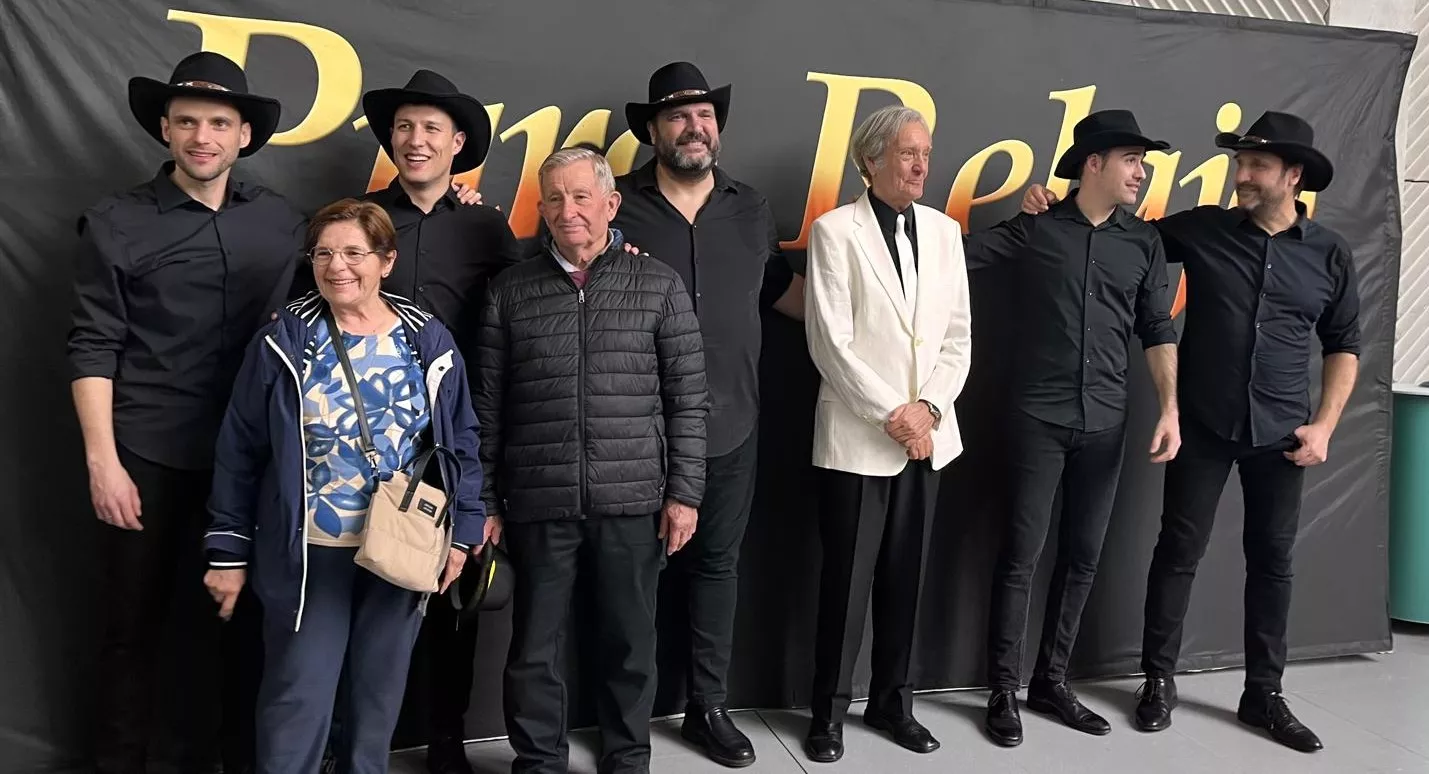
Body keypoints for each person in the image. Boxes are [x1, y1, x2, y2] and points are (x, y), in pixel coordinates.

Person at [1021, 110, 1360, 753]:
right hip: (1202, 423)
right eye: (1240, 163)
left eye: (1256, 165)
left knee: (1273, 562)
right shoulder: (1201, 229)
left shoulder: (1329, 254)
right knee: (1177, 552)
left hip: (1284, 433)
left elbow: (1344, 344)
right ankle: (1158, 681)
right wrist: (1050, 203)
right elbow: (1114, 233)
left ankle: (1264, 694)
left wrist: (1324, 425)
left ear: (1293, 175)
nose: (1242, 175)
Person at [68, 51, 304, 774]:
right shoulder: (116, 222)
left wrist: (464, 201)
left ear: (244, 136)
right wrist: (103, 463)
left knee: (232, 628)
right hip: (145, 452)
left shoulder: (281, 221)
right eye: (189, 121)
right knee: (131, 628)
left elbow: (361, 254)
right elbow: (92, 344)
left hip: (248, 459)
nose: (204, 136)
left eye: (220, 123)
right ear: (166, 130)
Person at [202, 198, 488, 772]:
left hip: (400, 548)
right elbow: (239, 449)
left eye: (354, 252)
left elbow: (461, 438)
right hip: (309, 551)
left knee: (377, 702)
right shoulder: (284, 342)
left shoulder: (426, 340)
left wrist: (464, 530)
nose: (338, 267)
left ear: (386, 260)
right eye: (324, 253)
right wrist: (228, 549)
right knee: (298, 699)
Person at [475, 147, 708, 774]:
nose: (568, 210)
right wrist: (486, 500)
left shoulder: (659, 284)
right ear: (541, 208)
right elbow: (487, 406)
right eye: (554, 198)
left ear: (611, 204)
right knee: (534, 649)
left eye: (581, 196)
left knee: (630, 645)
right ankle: (538, 762)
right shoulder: (510, 290)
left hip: (633, 501)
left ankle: (627, 758)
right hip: (538, 500)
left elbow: (689, 400)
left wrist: (684, 494)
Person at [963, 110, 1181, 747]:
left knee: (1083, 557)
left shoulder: (1144, 243)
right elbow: (956, 259)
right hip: (1037, 417)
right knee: (1020, 555)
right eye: (1132, 161)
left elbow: (1158, 329)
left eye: (1144, 163)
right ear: (1094, 163)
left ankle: (1051, 682)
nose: (1141, 173)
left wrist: (1169, 408)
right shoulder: (1036, 228)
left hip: (1108, 423)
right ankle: (1002, 689)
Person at [614, 61, 803, 768]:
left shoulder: (749, 208)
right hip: (636, 429)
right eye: (677, 117)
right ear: (653, 131)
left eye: (704, 116)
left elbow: (779, 291)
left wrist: (867, 324)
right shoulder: (614, 206)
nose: (694, 128)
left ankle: (707, 707)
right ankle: (626, 720)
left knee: (716, 570)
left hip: (730, 424)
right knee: (634, 578)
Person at [358, 68, 522, 774]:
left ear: (458, 144)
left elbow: (525, 309)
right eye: (404, 127)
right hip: (369, 436)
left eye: (431, 128)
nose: (415, 140)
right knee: (365, 587)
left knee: (451, 593)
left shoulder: (486, 225)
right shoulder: (360, 218)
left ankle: (447, 740)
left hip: (455, 440)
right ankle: (359, 742)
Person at [801, 105, 972, 763]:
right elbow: (830, 343)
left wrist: (927, 410)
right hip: (856, 441)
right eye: (906, 152)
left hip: (929, 439)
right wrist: (895, 417)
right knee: (844, 587)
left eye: (925, 151)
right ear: (869, 161)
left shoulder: (945, 232)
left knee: (907, 582)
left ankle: (893, 704)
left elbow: (957, 338)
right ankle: (828, 715)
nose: (921, 164)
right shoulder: (833, 231)